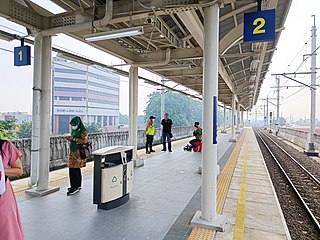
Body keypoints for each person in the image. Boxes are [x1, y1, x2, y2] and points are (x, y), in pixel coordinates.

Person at [0, 132, 24, 240]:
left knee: (6, 227)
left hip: (3, 195)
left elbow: (19, 170)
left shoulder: (5, 146)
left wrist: (1, 171)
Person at [65, 116, 88, 196]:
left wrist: (73, 139)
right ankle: (77, 185)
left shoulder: (83, 131)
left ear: (78, 123)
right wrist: (70, 138)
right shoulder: (75, 130)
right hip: (73, 152)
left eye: (74, 124)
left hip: (78, 153)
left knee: (73, 169)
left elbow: (84, 141)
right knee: (75, 169)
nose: (73, 126)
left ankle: (73, 187)